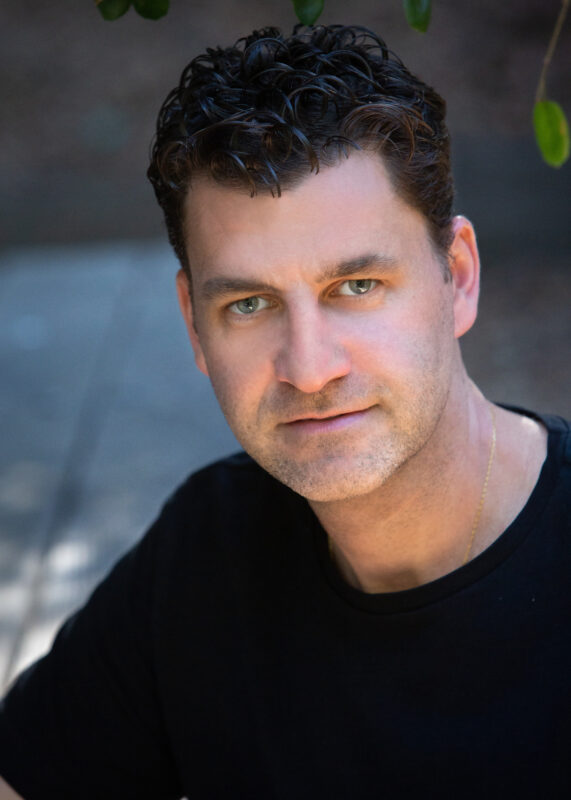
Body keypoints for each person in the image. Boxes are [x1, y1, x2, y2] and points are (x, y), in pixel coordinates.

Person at [0, 23, 569, 800]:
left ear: (457, 276)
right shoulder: (209, 547)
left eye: (356, 287)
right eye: (249, 303)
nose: (308, 367)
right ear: (194, 324)